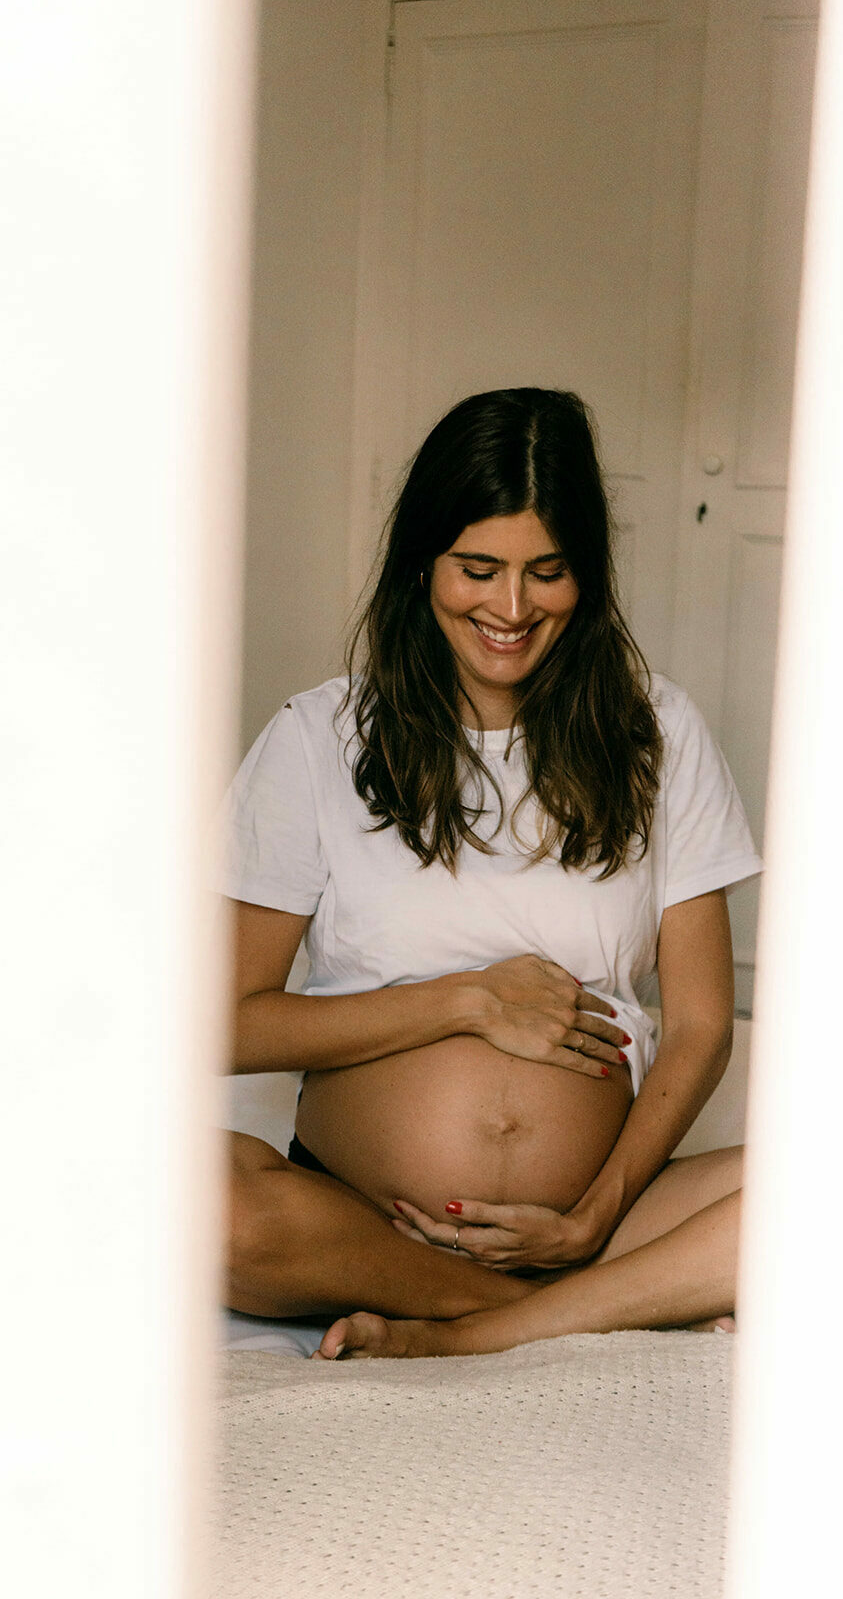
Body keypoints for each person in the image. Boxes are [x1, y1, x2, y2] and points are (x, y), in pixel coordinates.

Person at [221, 388, 760, 1359]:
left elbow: (701, 1025)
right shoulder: (315, 737)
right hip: (360, 1222)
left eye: (546, 573)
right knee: (198, 1202)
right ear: (422, 562)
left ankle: (478, 1325)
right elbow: (226, 1021)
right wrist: (464, 1002)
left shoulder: (657, 733)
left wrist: (592, 1215)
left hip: (595, 1223)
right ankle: (552, 1306)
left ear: (585, 574)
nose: (510, 609)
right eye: (478, 569)